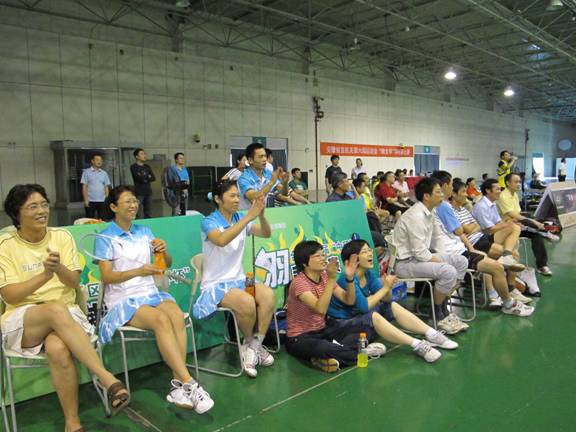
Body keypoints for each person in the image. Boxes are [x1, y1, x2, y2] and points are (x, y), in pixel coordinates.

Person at [0, 184, 130, 432]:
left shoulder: (62, 237)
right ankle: (107, 378)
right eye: (33, 206)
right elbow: (9, 295)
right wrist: (44, 275)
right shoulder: (5, 245)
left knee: (58, 348)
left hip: (66, 317)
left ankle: (72, 423)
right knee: (55, 309)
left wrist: (58, 268)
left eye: (44, 204)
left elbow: (73, 282)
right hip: (23, 320)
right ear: (17, 213)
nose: (42, 211)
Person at [95, 185, 213, 413]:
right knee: (160, 320)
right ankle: (189, 383)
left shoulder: (145, 231)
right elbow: (107, 277)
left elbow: (166, 265)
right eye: (127, 201)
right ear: (113, 207)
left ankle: (178, 385)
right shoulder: (105, 237)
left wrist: (163, 250)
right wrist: (138, 271)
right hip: (123, 299)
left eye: (134, 201)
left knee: (176, 315)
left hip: (150, 292)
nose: (133, 205)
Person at [193, 180, 276, 378]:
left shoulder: (240, 218)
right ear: (218, 199)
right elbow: (221, 240)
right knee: (246, 302)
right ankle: (249, 343)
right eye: (232, 196)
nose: (237, 199)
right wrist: (248, 217)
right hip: (215, 284)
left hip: (238, 279)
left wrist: (261, 215)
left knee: (268, 295)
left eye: (238, 195)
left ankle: (254, 346)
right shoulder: (209, 222)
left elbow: (266, 233)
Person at [327, 240, 459, 363]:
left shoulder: (368, 274)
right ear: (354, 259)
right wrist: (384, 288)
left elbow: (387, 299)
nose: (370, 254)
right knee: (373, 315)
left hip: (358, 319)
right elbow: (364, 307)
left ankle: (432, 334)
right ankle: (417, 345)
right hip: (341, 325)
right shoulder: (346, 279)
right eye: (365, 252)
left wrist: (388, 287)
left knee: (391, 306)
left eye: (369, 250)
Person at [430, 171, 534, 319]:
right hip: (455, 252)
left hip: (461, 248)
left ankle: (506, 292)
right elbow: (460, 230)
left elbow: (468, 229)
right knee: (496, 267)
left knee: (507, 250)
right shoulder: (444, 207)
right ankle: (506, 302)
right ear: (445, 186)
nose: (465, 194)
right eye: (452, 185)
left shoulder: (443, 207)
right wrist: (470, 240)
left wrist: (470, 240)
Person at [285, 240, 379, 372]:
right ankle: (357, 353)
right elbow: (320, 309)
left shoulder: (324, 276)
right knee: (323, 347)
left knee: (364, 329)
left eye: (323, 254)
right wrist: (331, 279)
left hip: (323, 330)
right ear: (304, 263)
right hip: (300, 337)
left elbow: (348, 300)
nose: (323, 258)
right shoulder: (299, 283)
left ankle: (328, 357)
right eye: (317, 256)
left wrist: (350, 279)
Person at [391, 177, 469, 334]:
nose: (442, 195)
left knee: (461, 261)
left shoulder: (430, 211)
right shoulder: (416, 216)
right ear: (426, 196)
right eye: (438, 192)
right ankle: (437, 314)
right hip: (405, 263)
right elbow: (419, 252)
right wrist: (440, 261)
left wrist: (443, 256)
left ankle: (443, 304)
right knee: (448, 271)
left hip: (418, 258)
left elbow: (437, 238)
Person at [451, 179, 535, 303]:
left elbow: (477, 226)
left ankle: (508, 264)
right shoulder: (455, 210)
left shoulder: (464, 209)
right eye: (463, 191)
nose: (466, 194)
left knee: (514, 230)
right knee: (514, 253)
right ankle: (510, 288)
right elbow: (476, 229)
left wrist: (472, 228)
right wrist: (472, 228)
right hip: (476, 242)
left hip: (482, 236)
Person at [497, 173, 553, 276]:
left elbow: (518, 214)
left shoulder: (515, 195)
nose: (519, 184)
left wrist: (530, 221)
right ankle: (546, 233)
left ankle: (542, 266)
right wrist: (534, 222)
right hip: (505, 228)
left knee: (536, 235)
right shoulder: (503, 196)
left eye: (519, 181)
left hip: (516, 225)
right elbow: (512, 214)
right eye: (516, 182)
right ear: (508, 183)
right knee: (533, 224)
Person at [238, 142, 288, 210]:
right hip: (246, 214)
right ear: (250, 160)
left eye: (265, 156)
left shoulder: (268, 173)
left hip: (261, 213)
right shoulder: (244, 178)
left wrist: (285, 183)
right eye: (260, 157)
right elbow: (254, 199)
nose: (265, 159)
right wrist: (271, 183)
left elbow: (284, 193)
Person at [81, 153, 111, 219]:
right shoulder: (86, 172)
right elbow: (84, 187)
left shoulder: (104, 173)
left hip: (102, 201)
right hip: (90, 201)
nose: (99, 162)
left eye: (100, 160)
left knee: (102, 219)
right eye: (97, 160)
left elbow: (106, 187)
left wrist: (106, 200)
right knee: (89, 219)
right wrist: (86, 200)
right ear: (92, 161)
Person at [130, 148, 155, 219]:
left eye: (144, 154)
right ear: (136, 157)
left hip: (148, 192)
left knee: (149, 213)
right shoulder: (133, 167)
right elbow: (139, 178)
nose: (144, 155)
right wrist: (147, 176)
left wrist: (144, 177)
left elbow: (153, 178)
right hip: (139, 193)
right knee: (139, 213)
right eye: (142, 154)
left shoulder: (147, 167)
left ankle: (148, 225)